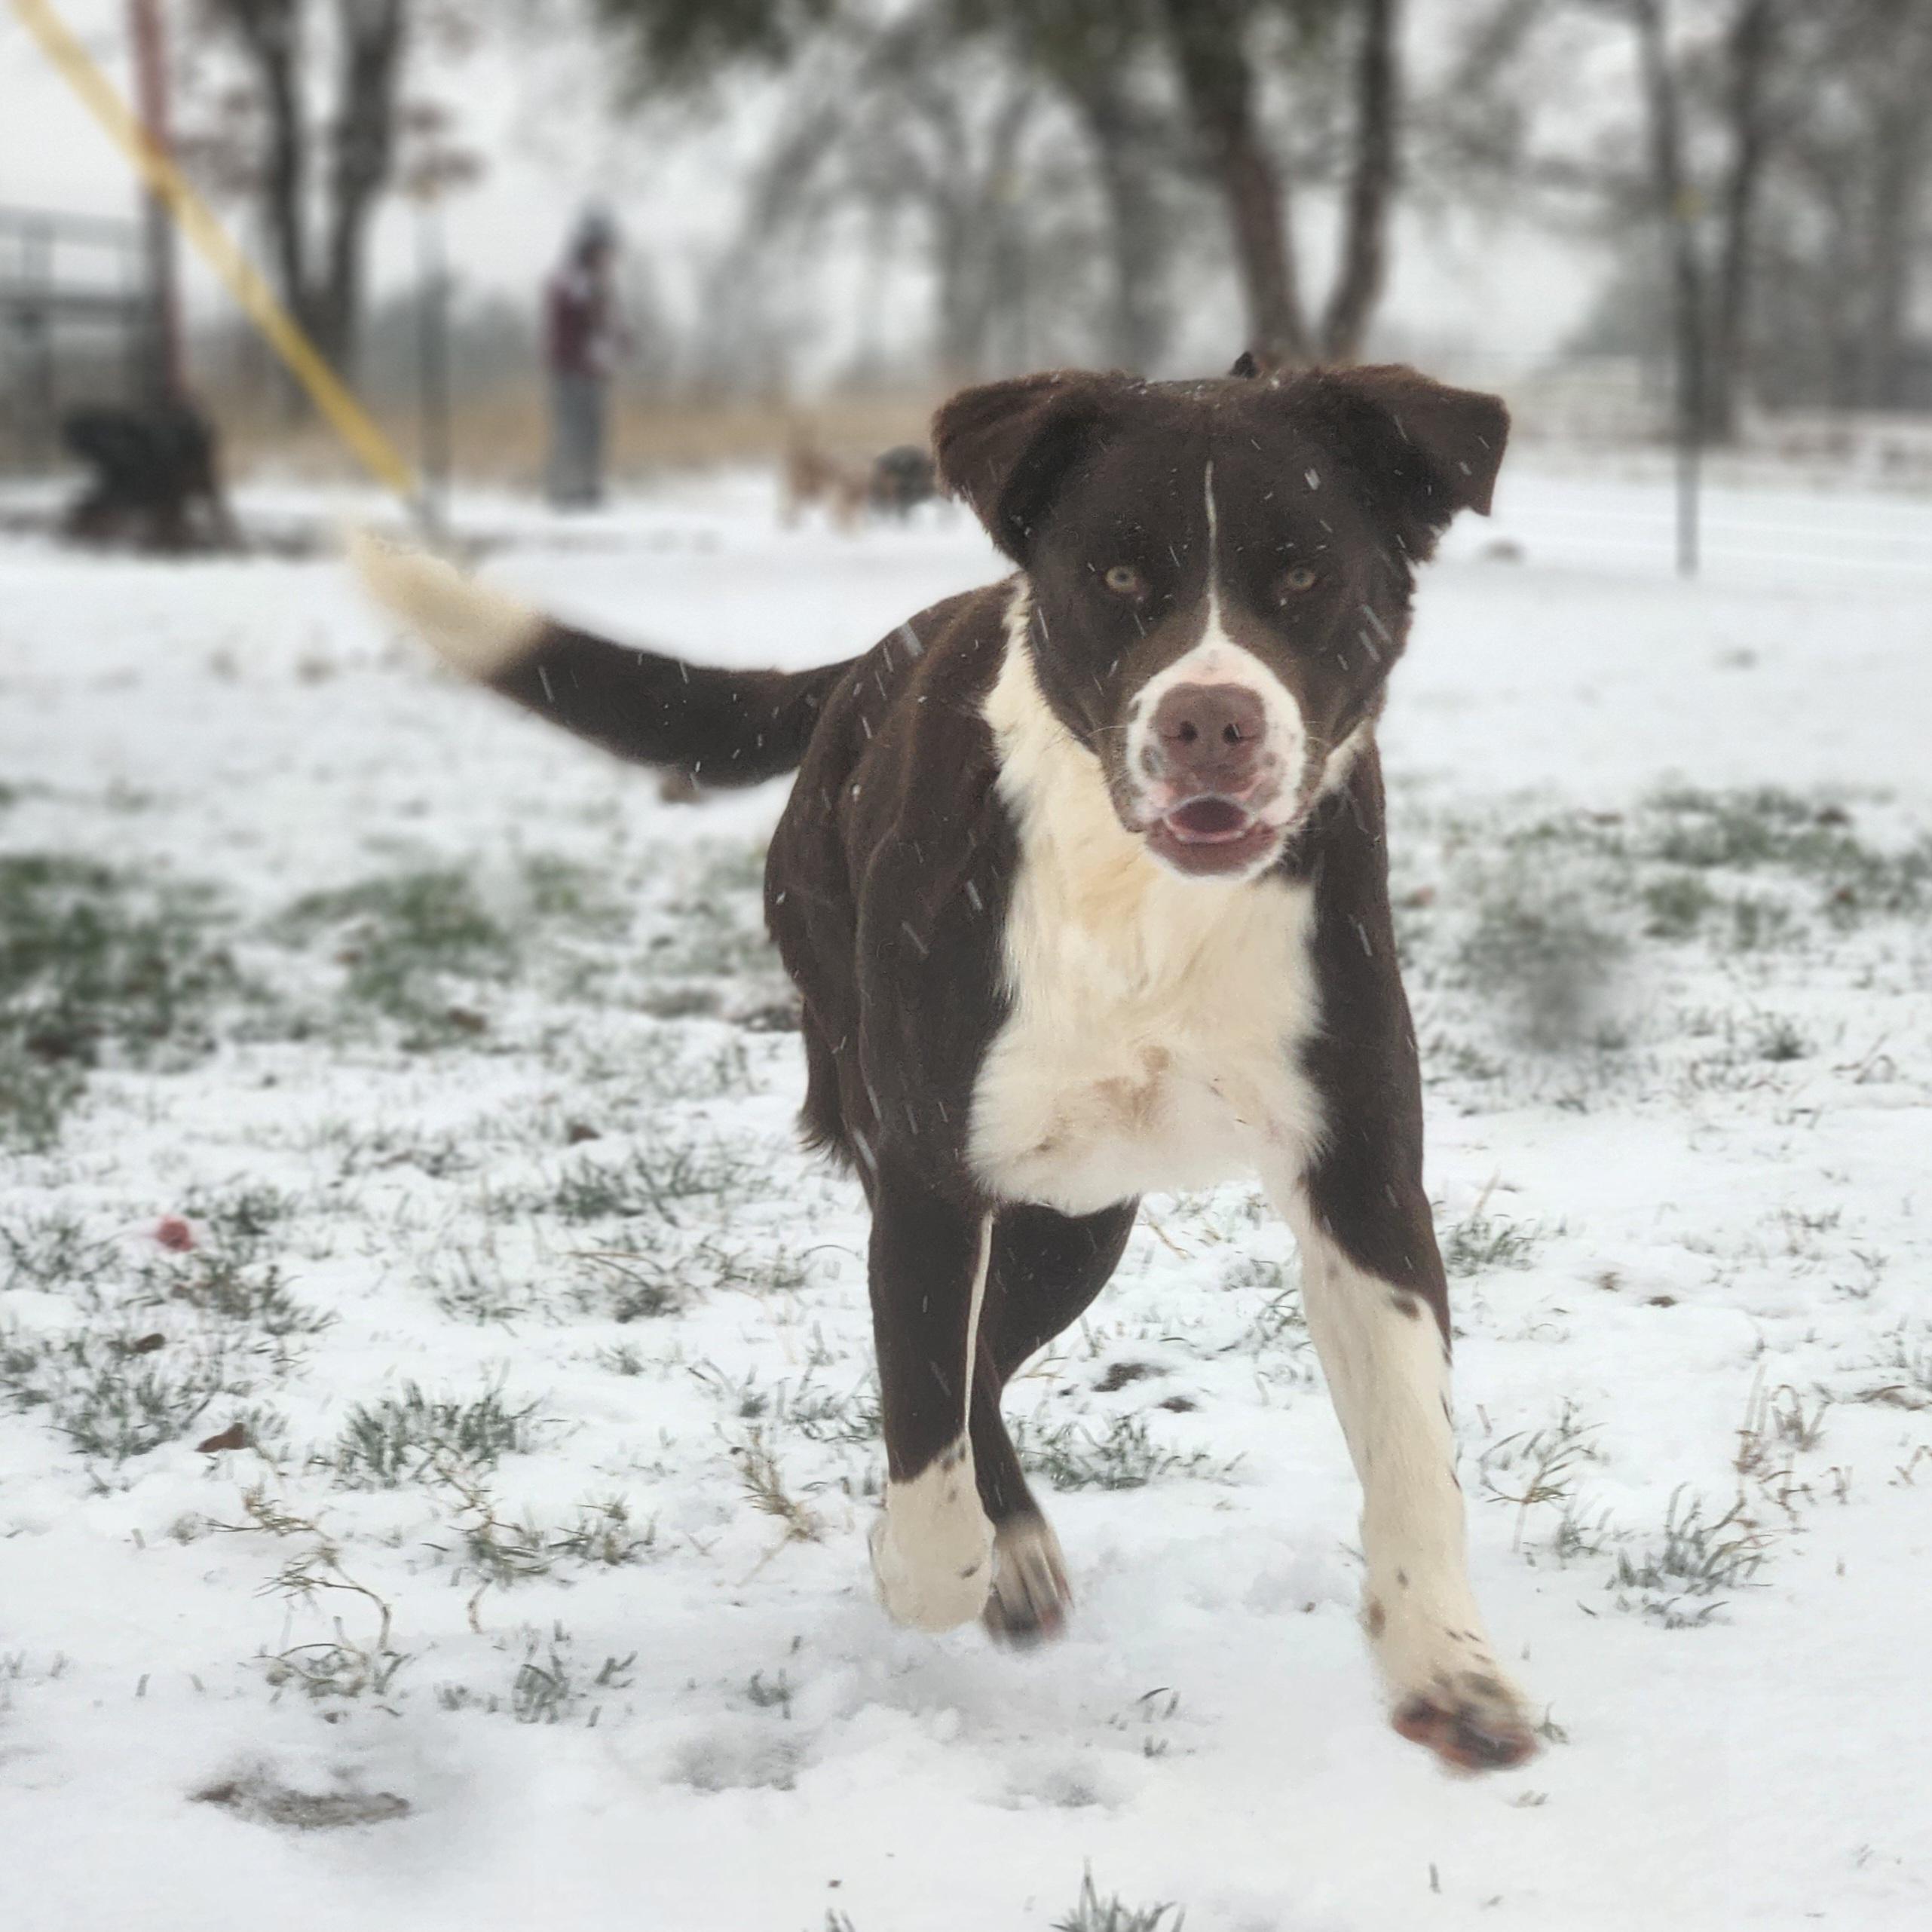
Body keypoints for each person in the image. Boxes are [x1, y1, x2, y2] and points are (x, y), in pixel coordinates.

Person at [544, 206, 621, 508]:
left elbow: (607, 322)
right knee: (571, 428)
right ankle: (564, 488)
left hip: (592, 370)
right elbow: (577, 325)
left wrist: (618, 343)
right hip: (571, 369)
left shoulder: (598, 281)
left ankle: (588, 485)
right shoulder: (572, 280)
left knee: (593, 428)